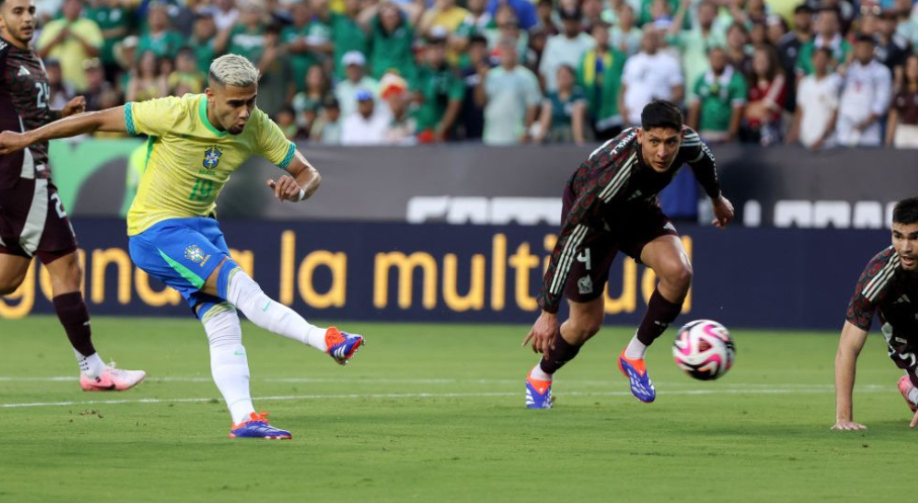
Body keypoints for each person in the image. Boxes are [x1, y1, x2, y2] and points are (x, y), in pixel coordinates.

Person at [0, 54, 365, 439]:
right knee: (241, 287)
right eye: (235, 103)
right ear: (211, 95)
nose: (245, 113)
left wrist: (300, 190)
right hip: (156, 230)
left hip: (203, 228)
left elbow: (309, 174)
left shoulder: (258, 127)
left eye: (251, 101)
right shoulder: (174, 112)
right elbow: (96, 119)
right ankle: (326, 338)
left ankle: (245, 419)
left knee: (223, 323)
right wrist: (27, 138)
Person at [522, 100, 734, 408]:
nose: (663, 152)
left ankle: (633, 355)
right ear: (640, 136)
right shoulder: (607, 180)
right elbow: (567, 242)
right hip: (592, 223)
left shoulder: (686, 141)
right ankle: (540, 376)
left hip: (636, 211)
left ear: (680, 136)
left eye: (670, 142)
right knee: (586, 324)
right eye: (654, 142)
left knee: (679, 272)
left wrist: (716, 198)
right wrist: (548, 312)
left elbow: (703, 159)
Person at [0, 0, 145, 392]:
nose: (28, 16)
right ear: (0, 18)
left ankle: (92, 368)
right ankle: (94, 369)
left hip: (24, 172)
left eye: (31, 9)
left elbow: (25, 113)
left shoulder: (28, 56)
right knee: (66, 265)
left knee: (8, 280)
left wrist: (59, 112)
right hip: (23, 172)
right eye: (17, 10)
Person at [833, 197, 918, 431]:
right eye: (898, 236)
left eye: (915, 237)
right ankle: (912, 387)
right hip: (906, 331)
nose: (905, 248)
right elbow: (847, 348)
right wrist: (844, 418)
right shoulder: (879, 274)